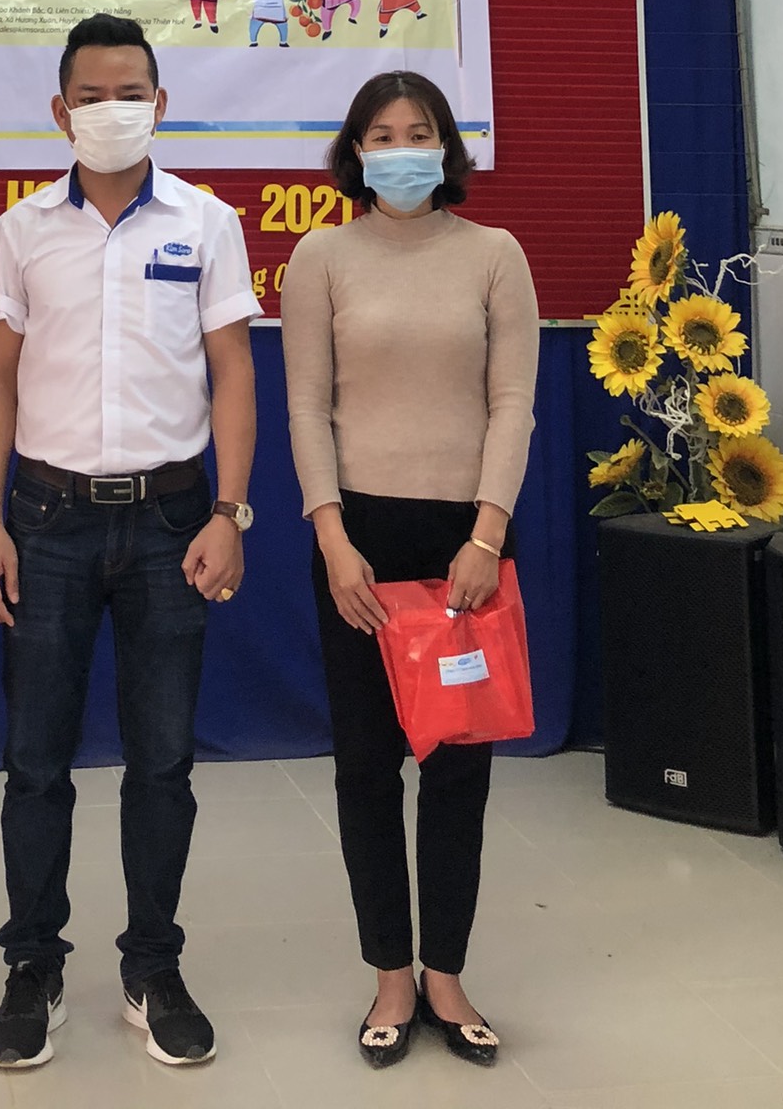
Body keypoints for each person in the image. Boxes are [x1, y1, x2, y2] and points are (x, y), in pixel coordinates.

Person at [0, 12, 261, 1072]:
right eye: (90, 96)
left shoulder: (207, 221)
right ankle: (32, 966)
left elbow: (233, 371)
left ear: (161, 104)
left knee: (164, 761)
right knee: (34, 762)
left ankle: (153, 966)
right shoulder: (21, 229)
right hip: (45, 520)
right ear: (60, 111)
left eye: (129, 93)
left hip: (173, 522)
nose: (110, 110)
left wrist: (231, 512)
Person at [281, 73, 539, 1070]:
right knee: (364, 765)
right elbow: (307, 406)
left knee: (459, 767)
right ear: (356, 150)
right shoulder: (322, 257)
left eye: (418, 131)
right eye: (382, 135)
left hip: (467, 544)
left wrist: (488, 534)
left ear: (446, 147)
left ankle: (447, 974)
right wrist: (331, 536)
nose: (401, 150)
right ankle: (391, 973)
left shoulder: (495, 254)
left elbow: (511, 401)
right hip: (359, 542)